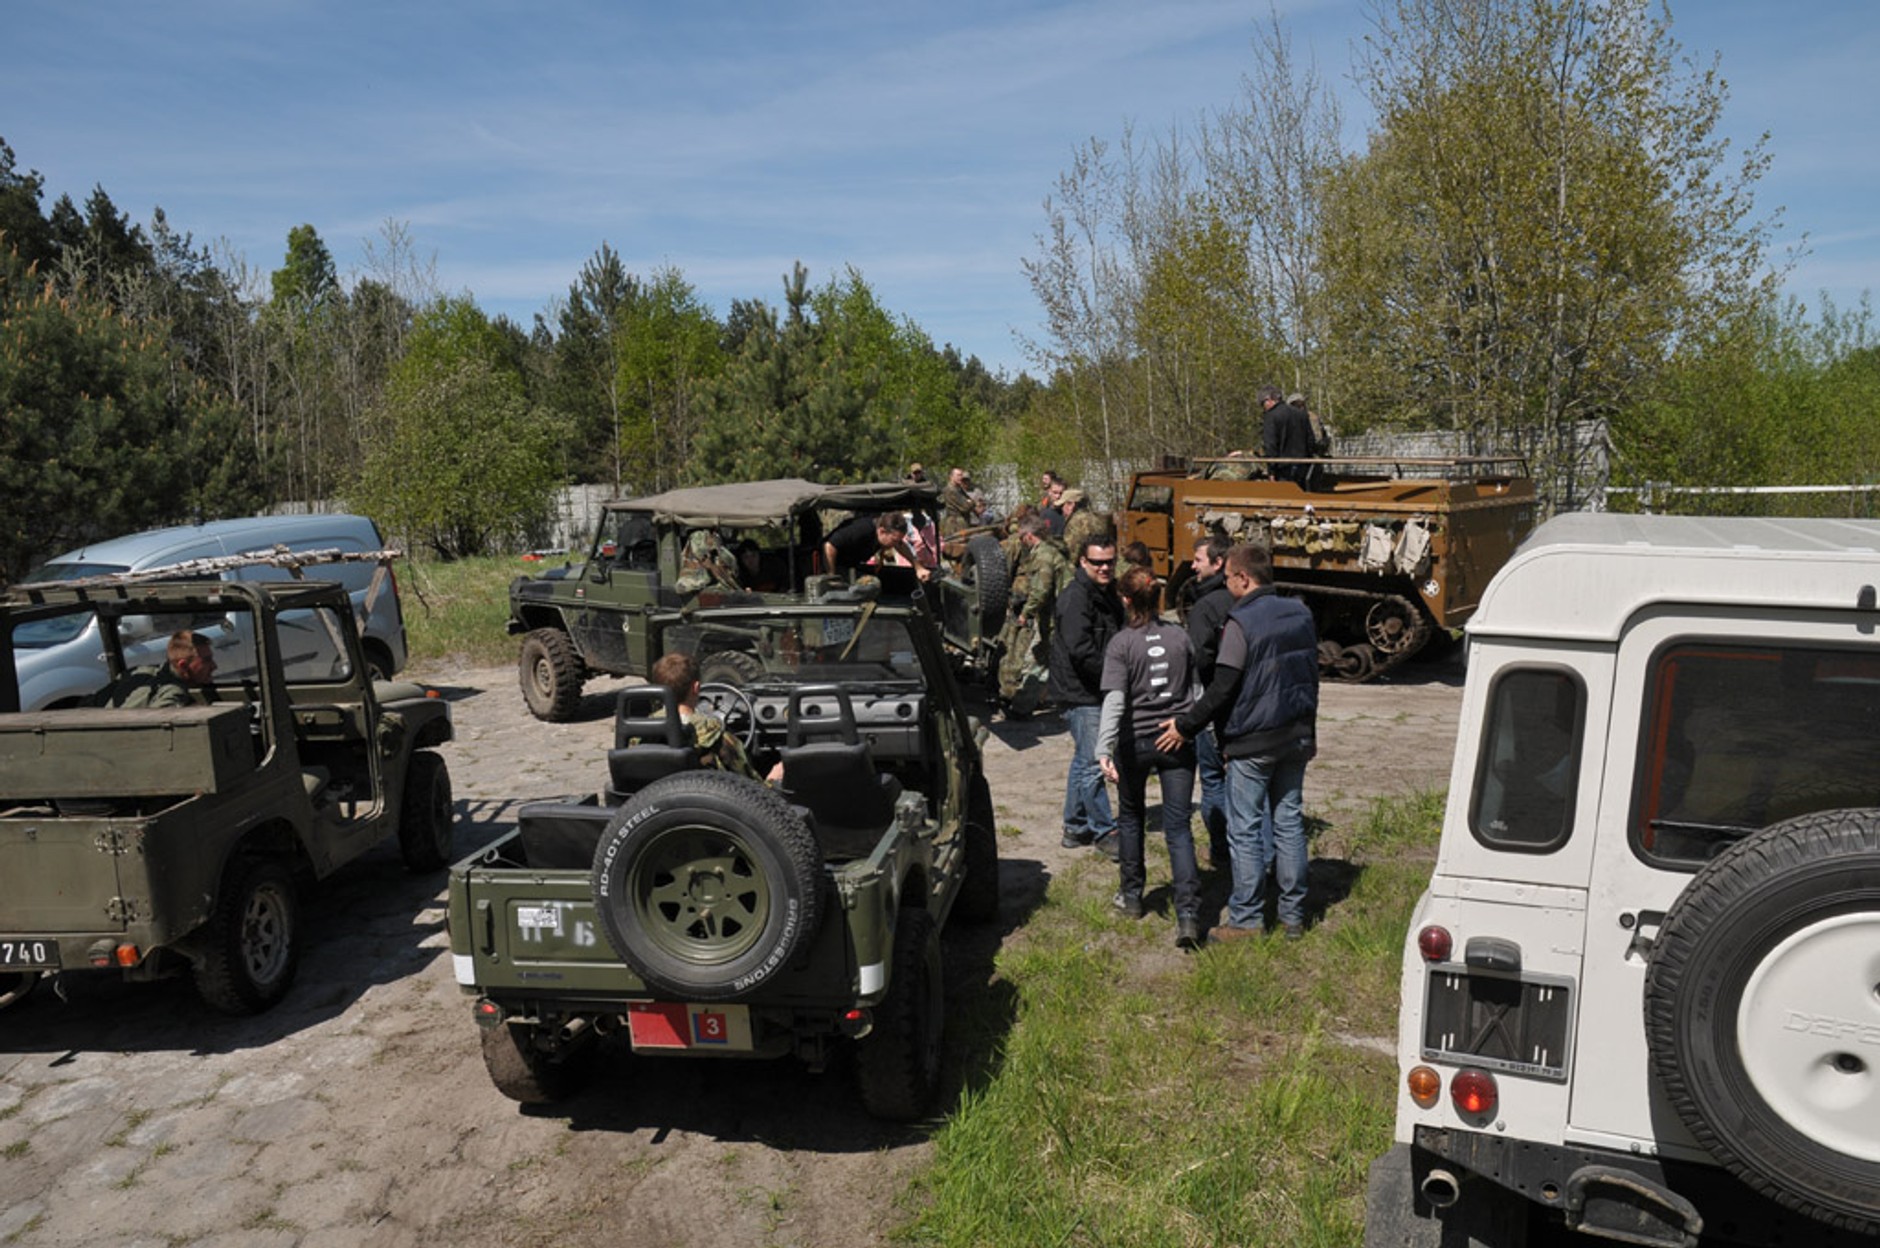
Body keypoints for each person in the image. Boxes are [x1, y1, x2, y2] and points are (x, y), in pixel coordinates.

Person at [1162, 543, 1318, 941]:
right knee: (1288, 822)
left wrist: (1185, 725)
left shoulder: (1240, 622)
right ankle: (1293, 916)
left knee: (1245, 828)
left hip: (1253, 739)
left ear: (1244, 578)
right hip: (1296, 734)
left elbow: (1222, 688)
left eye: (1228, 577)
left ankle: (1247, 921)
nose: (1225, 584)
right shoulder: (1301, 612)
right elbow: (1309, 677)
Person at [1096, 567, 1202, 949]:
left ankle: (1132, 896)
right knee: (1178, 827)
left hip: (1135, 742)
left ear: (1125, 600)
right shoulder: (1180, 636)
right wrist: (1192, 727)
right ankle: (1188, 913)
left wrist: (1102, 748)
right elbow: (1196, 689)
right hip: (1176, 740)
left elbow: (1115, 700)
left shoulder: (1122, 644)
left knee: (1130, 817)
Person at [1050, 535, 1123, 858]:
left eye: (1110, 561)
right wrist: (1115, 679)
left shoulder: (1106, 593)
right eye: (1097, 562)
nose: (1105, 567)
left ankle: (1075, 826)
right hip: (1081, 691)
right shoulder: (1076, 599)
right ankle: (1103, 830)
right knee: (1095, 760)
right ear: (1083, 562)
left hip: (1094, 687)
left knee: (1084, 759)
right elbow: (1082, 651)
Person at [1182, 534, 1236, 869]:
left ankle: (1221, 851)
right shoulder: (1242, 596)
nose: (1192, 565)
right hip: (1243, 705)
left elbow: (1197, 655)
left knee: (1213, 780)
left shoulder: (1206, 605)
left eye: (1198, 559)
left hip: (1211, 703)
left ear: (1218, 563)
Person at [646, 652, 780, 783]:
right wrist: (772, 780)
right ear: (696, 688)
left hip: (648, 804)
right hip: (703, 803)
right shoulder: (719, 739)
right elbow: (752, 794)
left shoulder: (639, 735)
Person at [997, 512, 1070, 716]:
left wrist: (1026, 613)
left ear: (1029, 536)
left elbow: (1041, 589)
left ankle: (1022, 708)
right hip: (1059, 613)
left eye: (1022, 537)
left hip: (1060, 615)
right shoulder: (1052, 550)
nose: (1020, 542)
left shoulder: (1043, 554)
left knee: (1041, 659)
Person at [94, 630, 217, 709]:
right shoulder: (173, 691)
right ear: (183, 665)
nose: (214, 666)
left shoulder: (137, 672)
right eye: (206, 660)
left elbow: (93, 702)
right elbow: (161, 721)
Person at [822, 512, 932, 582]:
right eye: (894, 540)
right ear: (882, 531)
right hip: (829, 564)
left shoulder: (886, 536)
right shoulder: (862, 529)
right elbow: (829, 546)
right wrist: (831, 576)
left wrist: (918, 568)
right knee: (870, 585)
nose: (895, 545)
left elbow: (900, 545)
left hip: (851, 565)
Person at [1259, 385, 1315, 485]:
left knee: (1283, 497)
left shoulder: (1271, 416)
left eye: (1262, 403)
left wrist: (1271, 471)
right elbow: (1310, 440)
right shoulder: (1301, 414)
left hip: (1283, 468)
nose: (1263, 407)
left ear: (1270, 400)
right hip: (1303, 466)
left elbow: (1270, 445)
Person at [676, 529, 741, 597]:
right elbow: (682, 587)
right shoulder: (690, 576)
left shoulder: (721, 557)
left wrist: (712, 567)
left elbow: (732, 578)